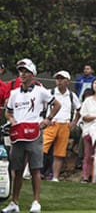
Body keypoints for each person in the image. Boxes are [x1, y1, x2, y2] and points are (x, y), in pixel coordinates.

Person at [3, 59, 60, 213]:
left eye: (26, 71)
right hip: (18, 134)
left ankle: (36, 202)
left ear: (32, 74)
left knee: (35, 168)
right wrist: (12, 120)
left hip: (34, 133)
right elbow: (8, 111)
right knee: (17, 169)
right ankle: (14, 203)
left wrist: (47, 120)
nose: (22, 74)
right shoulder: (14, 93)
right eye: (21, 71)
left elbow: (57, 105)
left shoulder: (40, 91)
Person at [42, 71, 81, 182]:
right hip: (52, 123)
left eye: (62, 78)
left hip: (64, 125)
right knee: (41, 150)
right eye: (57, 78)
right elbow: (42, 107)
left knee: (59, 153)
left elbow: (79, 110)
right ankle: (31, 172)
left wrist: (74, 122)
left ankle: (55, 177)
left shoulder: (72, 95)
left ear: (67, 81)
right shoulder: (50, 92)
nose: (59, 81)